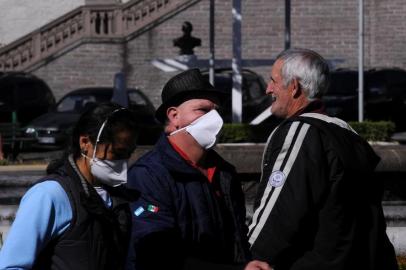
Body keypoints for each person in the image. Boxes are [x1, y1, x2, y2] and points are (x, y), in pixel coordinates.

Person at [247, 48, 398, 270]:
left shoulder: (300, 131)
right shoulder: (345, 132)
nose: (269, 88)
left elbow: (279, 213)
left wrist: (246, 258)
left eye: (273, 81)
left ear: (294, 86)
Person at [126, 68, 256, 270]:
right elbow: (158, 255)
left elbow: (237, 239)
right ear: (174, 116)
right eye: (203, 110)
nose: (215, 119)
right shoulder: (149, 175)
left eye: (217, 111)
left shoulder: (224, 173)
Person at [0, 102, 139, 270]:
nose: (123, 162)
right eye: (117, 153)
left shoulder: (116, 198)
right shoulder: (50, 195)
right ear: (85, 143)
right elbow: (11, 265)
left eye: (128, 154)